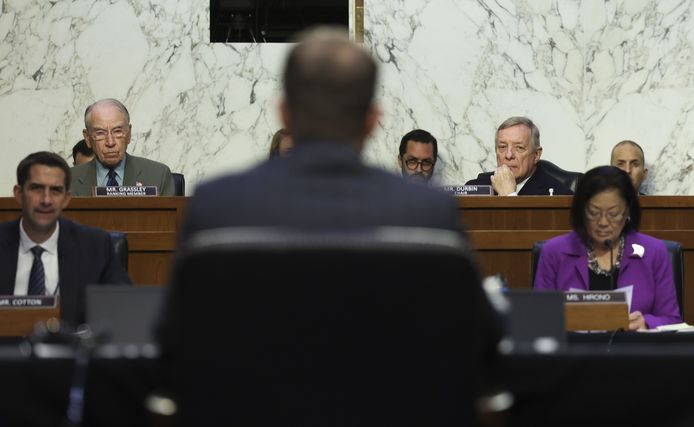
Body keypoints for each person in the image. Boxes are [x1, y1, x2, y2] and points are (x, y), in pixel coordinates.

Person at [159, 27, 501, 426]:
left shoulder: (217, 206)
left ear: (284, 112)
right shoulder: (429, 213)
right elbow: (481, 346)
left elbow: (174, 347)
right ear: (373, 120)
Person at [534, 166, 681, 329]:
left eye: (613, 213)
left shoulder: (654, 252)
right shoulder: (555, 252)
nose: (603, 222)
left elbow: (672, 320)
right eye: (593, 212)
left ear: (627, 211)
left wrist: (646, 323)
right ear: (581, 210)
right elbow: (539, 319)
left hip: (633, 350)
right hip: (572, 351)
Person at [0, 152, 130, 326]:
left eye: (56, 190)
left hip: (72, 351)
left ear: (66, 199)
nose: (46, 200)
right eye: (37, 188)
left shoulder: (96, 246)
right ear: (18, 194)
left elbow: (123, 313)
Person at [70, 98, 175, 196]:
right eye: (100, 133)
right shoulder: (68, 180)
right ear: (88, 138)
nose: (110, 142)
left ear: (128, 134)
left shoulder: (158, 175)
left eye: (117, 131)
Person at [465, 116, 573, 195]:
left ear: (536, 155)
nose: (508, 155)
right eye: (502, 147)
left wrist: (509, 197)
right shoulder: (475, 188)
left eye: (519, 148)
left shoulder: (561, 195)